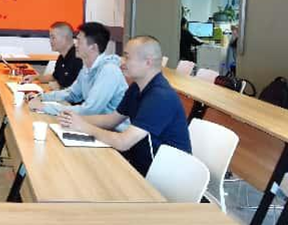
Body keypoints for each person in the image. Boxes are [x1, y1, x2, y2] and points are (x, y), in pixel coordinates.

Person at [58, 36, 192, 176]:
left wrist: (83, 126)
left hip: (163, 176)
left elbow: (123, 142)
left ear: (148, 62)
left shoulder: (160, 97)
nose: (122, 62)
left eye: (127, 57)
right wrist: (73, 119)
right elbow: (110, 120)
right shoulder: (137, 87)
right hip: (140, 164)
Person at [28, 22, 127, 117]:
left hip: (109, 127)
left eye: (79, 41)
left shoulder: (109, 71)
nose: (75, 45)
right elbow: (72, 94)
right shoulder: (86, 68)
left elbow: (88, 111)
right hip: (93, 123)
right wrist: (42, 97)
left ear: (93, 47)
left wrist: (44, 107)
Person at [22, 21, 83, 90]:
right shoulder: (62, 57)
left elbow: (80, 90)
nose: (50, 41)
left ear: (65, 38)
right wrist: (35, 77)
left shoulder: (78, 58)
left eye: (53, 37)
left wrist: (60, 88)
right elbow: (54, 77)